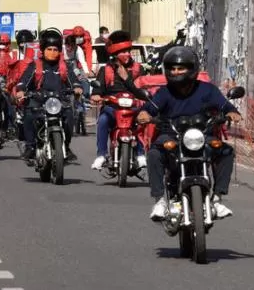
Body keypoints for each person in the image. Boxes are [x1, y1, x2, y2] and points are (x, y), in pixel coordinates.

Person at [138, 46, 241, 221]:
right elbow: (148, 109)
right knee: (155, 153)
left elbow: (225, 105)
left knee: (225, 151)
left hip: (201, 135)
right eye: (172, 68)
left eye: (181, 68)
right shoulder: (164, 92)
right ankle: (160, 200)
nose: (176, 72)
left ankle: (217, 198)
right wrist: (144, 114)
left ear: (192, 69)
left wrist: (232, 112)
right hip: (171, 134)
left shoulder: (207, 89)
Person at [14, 28, 82, 162]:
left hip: (59, 100)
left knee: (69, 116)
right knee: (28, 115)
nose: (52, 53)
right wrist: (21, 90)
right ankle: (31, 147)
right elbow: (24, 80)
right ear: (43, 50)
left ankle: (66, 147)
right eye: (49, 49)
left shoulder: (64, 66)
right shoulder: (35, 65)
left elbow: (73, 80)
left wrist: (77, 87)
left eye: (55, 50)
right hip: (38, 99)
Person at [89, 30, 147, 170]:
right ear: (115, 54)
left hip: (133, 107)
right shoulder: (106, 70)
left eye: (128, 51)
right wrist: (96, 95)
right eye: (123, 52)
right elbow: (98, 88)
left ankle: (140, 154)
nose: (127, 54)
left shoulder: (138, 69)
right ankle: (101, 155)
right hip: (112, 108)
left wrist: (127, 79)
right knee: (103, 120)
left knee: (141, 122)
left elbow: (143, 91)